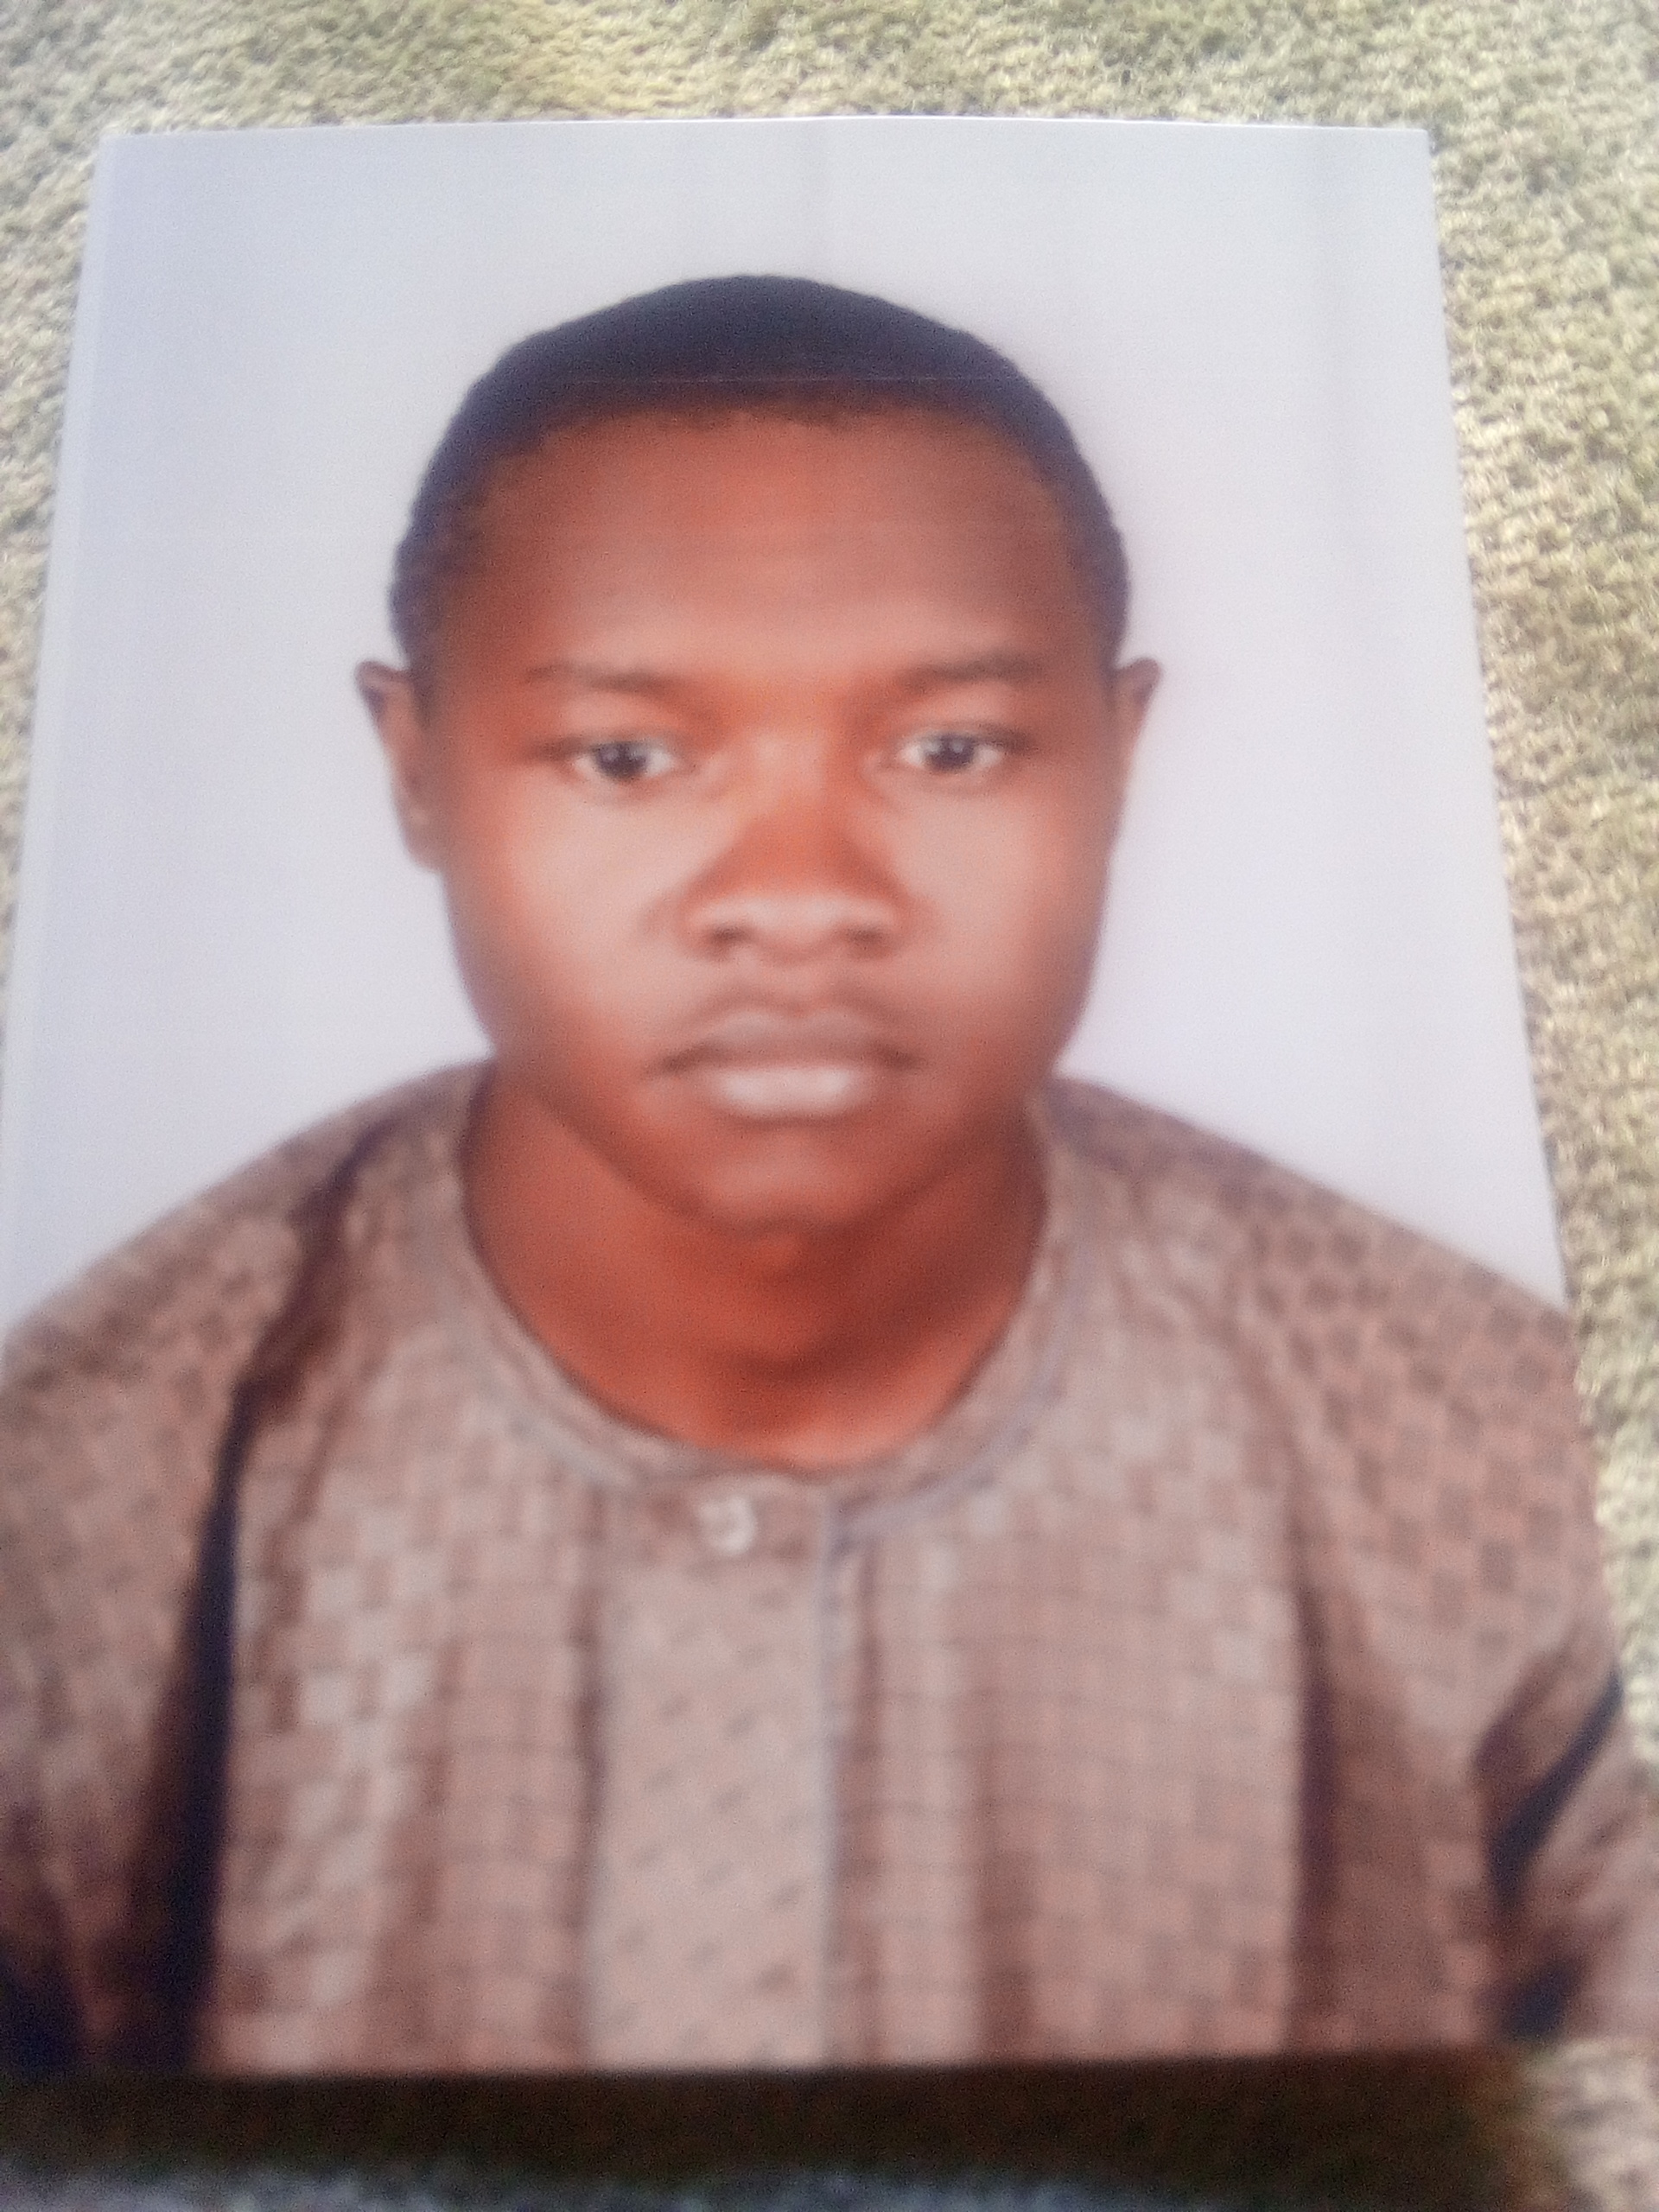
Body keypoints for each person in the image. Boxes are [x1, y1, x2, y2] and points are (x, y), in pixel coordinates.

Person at [3, 276, 1656, 2075]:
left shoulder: (1488, 1464)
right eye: (628, 757)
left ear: (1118, 757)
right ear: (416, 768)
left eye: (949, 749)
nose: (797, 895)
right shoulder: (79, 1508)